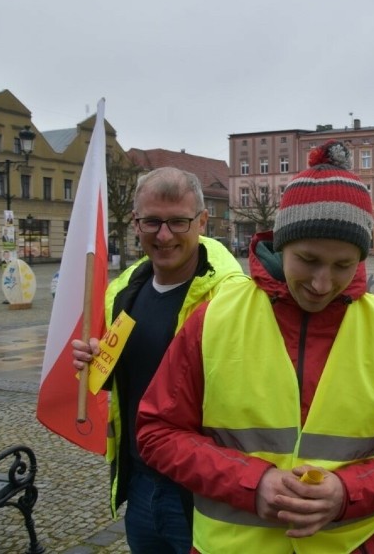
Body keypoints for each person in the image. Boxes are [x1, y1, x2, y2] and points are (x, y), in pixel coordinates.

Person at [136, 140, 374, 554]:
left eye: (342, 265)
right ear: (280, 245)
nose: (322, 284)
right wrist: (251, 483)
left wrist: (347, 493)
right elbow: (158, 431)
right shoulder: (214, 319)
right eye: (308, 260)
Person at [71, 167, 247, 554]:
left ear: (202, 221)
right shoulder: (124, 290)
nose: (163, 235)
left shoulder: (234, 299)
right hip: (140, 484)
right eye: (151, 221)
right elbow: (125, 377)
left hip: (202, 493)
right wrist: (95, 359)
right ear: (136, 223)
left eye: (178, 222)